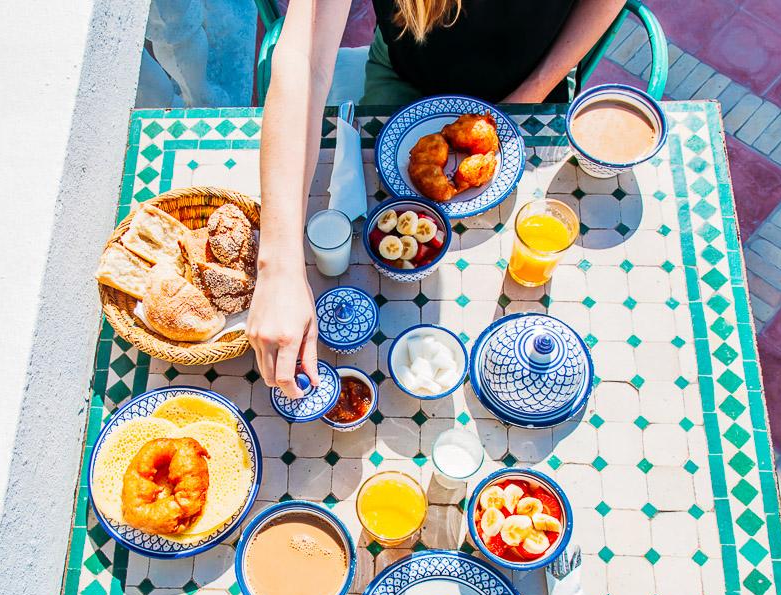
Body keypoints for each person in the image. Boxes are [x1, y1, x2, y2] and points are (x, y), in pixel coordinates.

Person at [245, 0, 626, 398]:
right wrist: (279, 268)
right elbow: (303, 61)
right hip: (406, 75)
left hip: (535, 84)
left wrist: (527, 97)